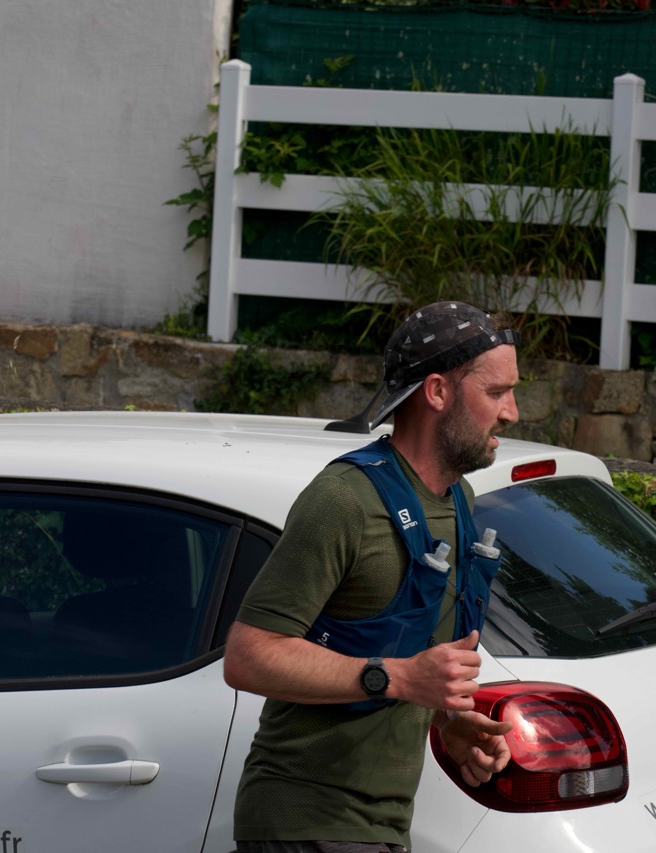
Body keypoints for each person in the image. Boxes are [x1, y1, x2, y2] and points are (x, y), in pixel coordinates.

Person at [223, 301, 522, 853]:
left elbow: (399, 647)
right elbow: (248, 656)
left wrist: (446, 720)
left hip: (383, 825)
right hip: (305, 822)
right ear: (437, 392)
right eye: (497, 392)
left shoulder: (458, 499)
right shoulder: (344, 500)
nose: (512, 413)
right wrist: (399, 679)